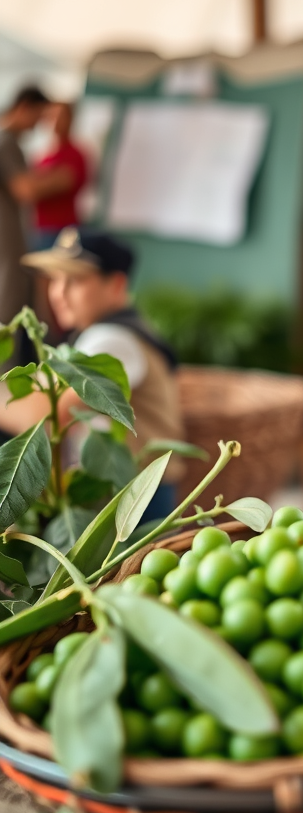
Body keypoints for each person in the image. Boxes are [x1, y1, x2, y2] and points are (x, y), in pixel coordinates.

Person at [0, 228, 185, 522]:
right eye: (55, 280)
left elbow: (46, 414)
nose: (58, 292)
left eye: (74, 280)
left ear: (116, 285)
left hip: (135, 500)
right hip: (126, 492)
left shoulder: (113, 339)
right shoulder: (97, 336)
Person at [0, 85, 49, 341]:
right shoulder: (6, 141)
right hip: (7, 241)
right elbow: (25, 189)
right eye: (38, 116)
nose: (38, 125)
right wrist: (61, 178)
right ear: (23, 107)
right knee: (9, 312)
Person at [30, 102, 89, 251]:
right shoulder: (42, 156)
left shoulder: (76, 154)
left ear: (70, 119)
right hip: (39, 229)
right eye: (52, 116)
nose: (55, 121)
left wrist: (37, 184)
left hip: (64, 229)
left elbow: (33, 189)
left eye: (60, 116)